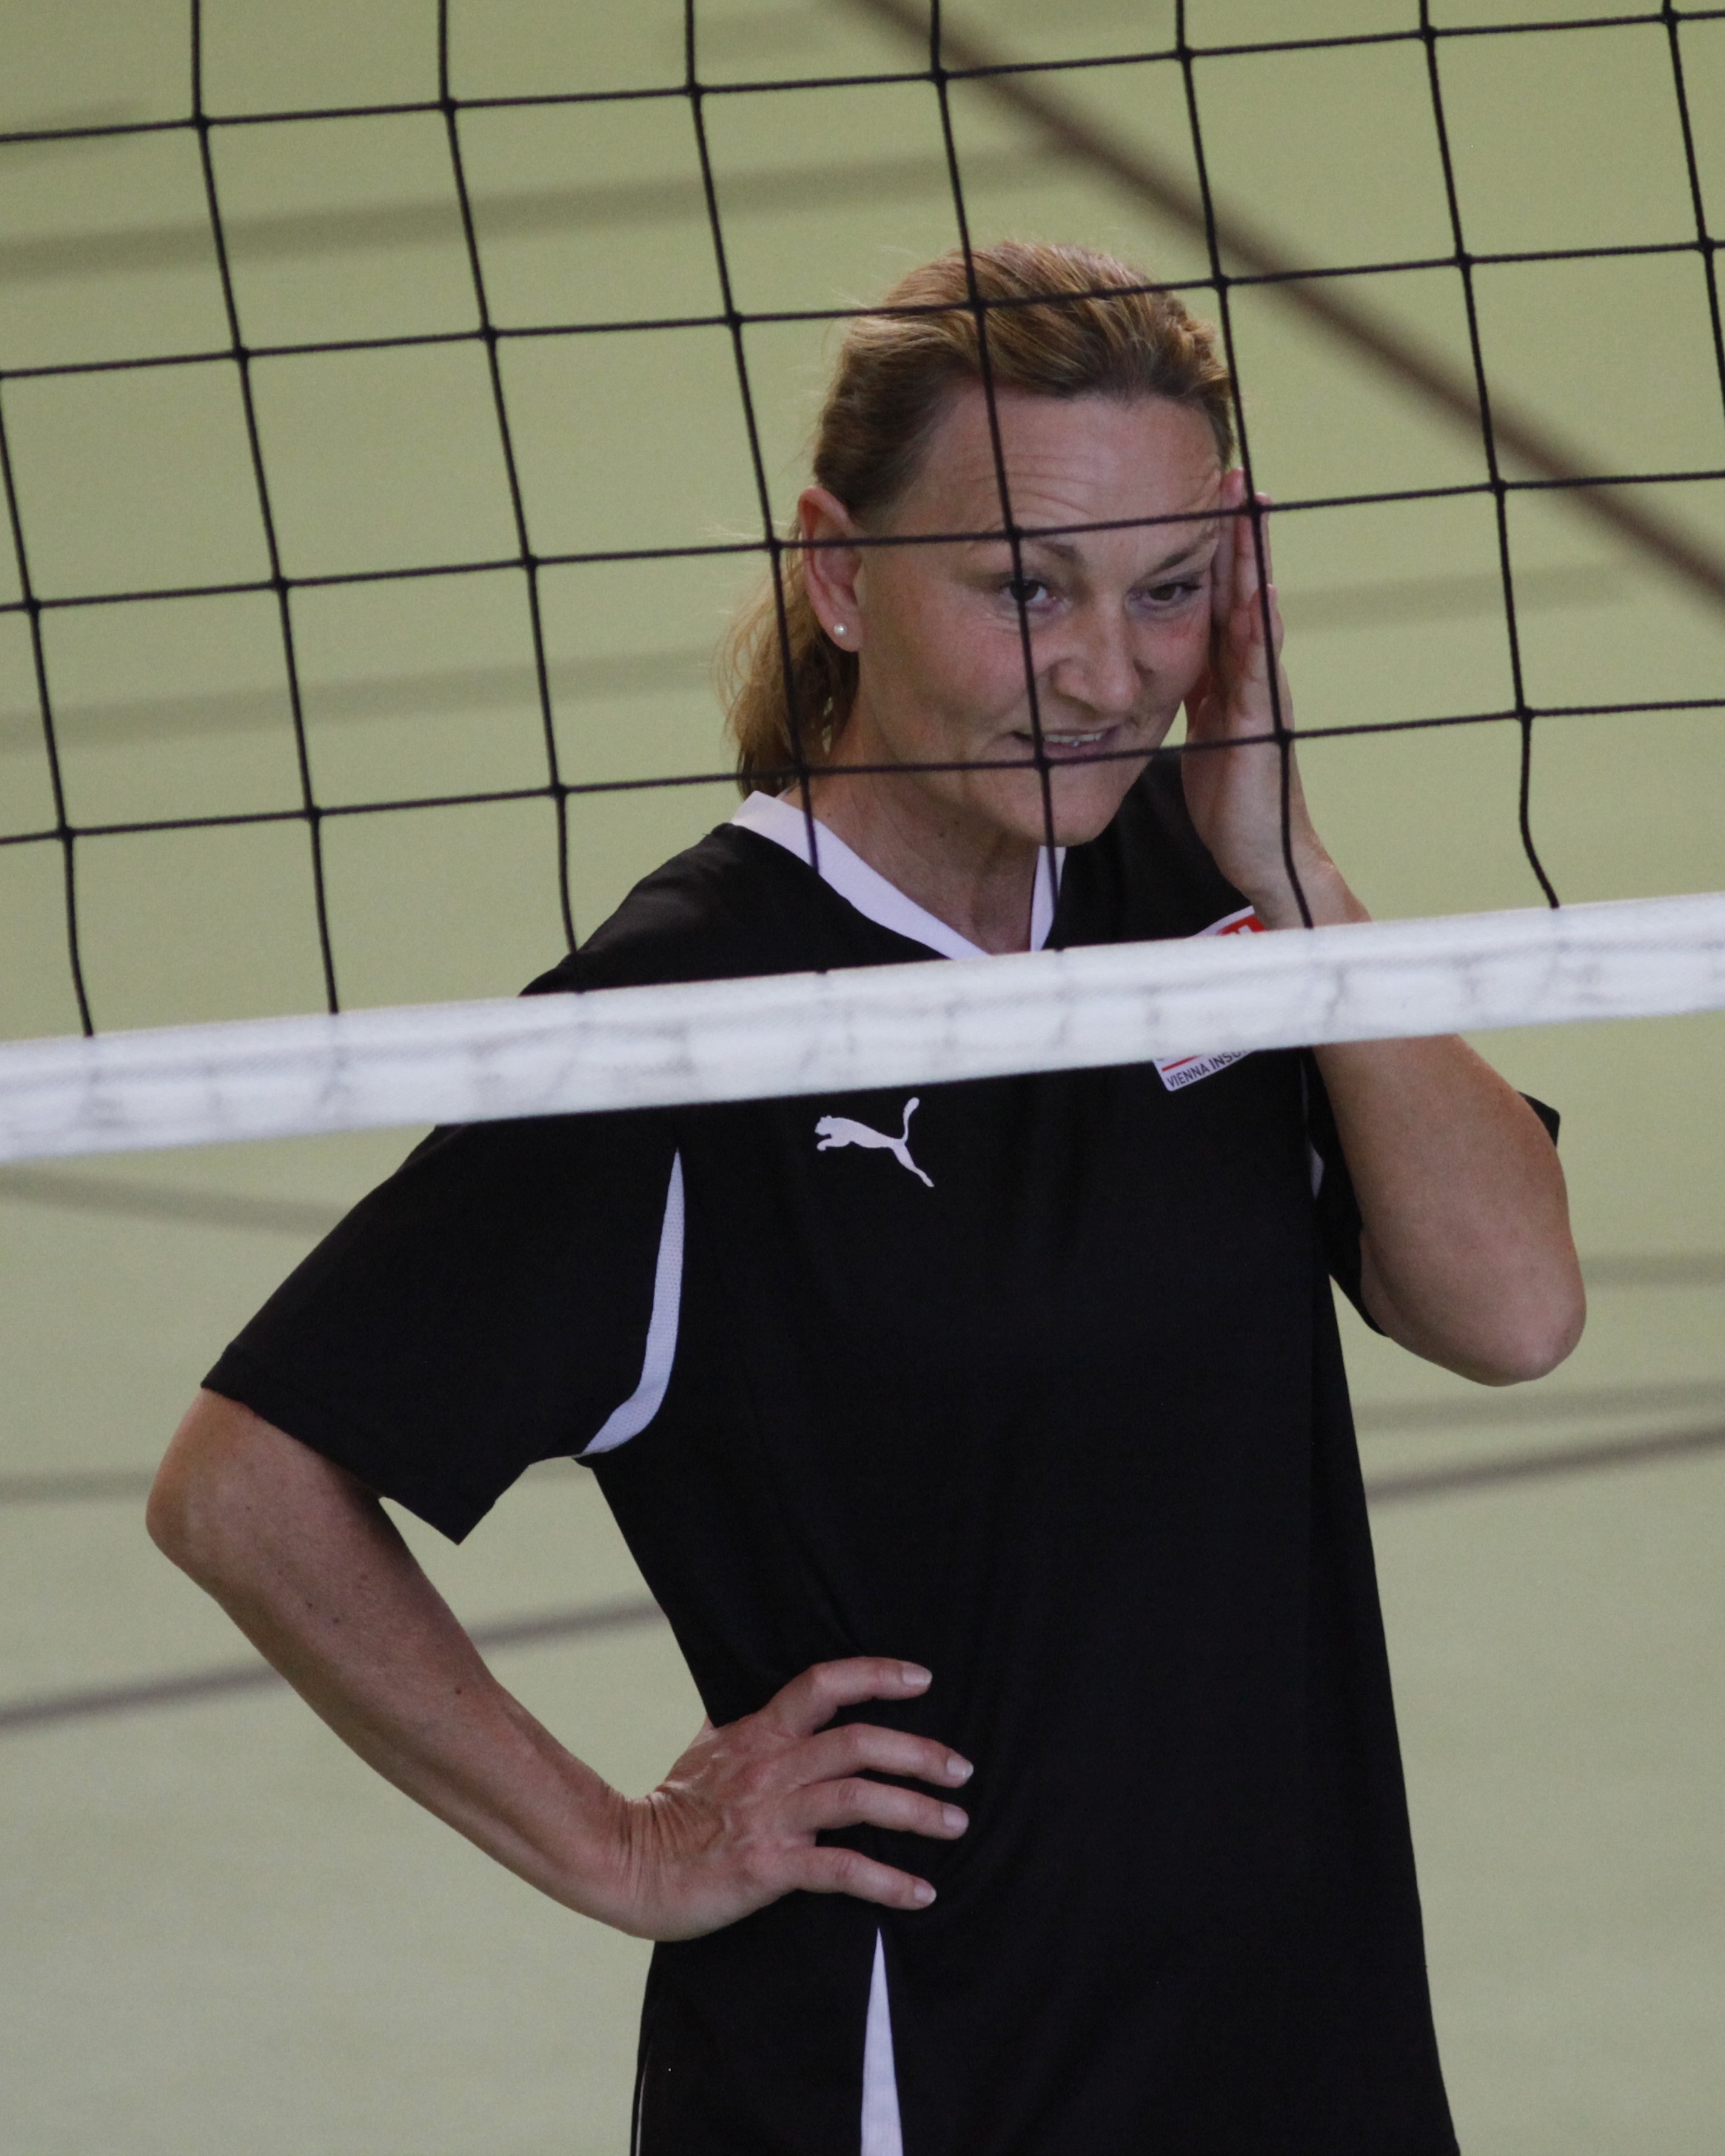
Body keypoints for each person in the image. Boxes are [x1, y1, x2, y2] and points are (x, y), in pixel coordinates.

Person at [148, 241, 1584, 2155]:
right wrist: (624, 1846)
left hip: (1303, 2052)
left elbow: (1511, 1312)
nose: (1104, 674)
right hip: (933, 2077)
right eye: (1023, 588)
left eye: (1168, 589)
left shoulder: (1197, 897)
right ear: (838, 572)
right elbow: (242, 1489)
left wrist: (1290, 870)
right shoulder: (686, 1024)